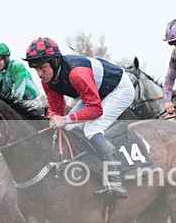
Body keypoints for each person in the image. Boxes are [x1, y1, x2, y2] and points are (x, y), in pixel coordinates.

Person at [23, 37, 134, 201]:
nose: (39, 74)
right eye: (36, 69)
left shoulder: (76, 74)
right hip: (98, 92)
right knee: (66, 127)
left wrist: (65, 119)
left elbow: (96, 110)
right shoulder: (48, 80)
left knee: (91, 128)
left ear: (54, 61)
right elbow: (56, 110)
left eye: (42, 68)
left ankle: (115, 181)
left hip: (119, 90)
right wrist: (52, 119)